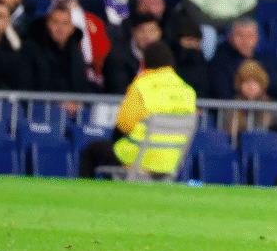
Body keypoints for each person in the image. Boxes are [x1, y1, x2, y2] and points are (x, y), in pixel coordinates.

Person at [78, 41, 197, 178]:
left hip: (138, 159)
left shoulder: (141, 86)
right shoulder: (188, 91)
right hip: (170, 161)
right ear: (171, 63)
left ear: (143, 63)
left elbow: (124, 125)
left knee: (91, 151)